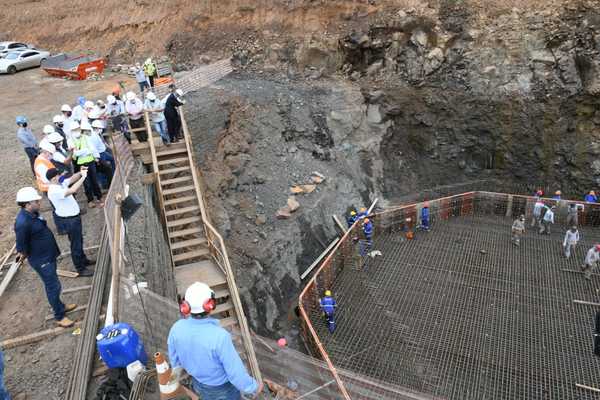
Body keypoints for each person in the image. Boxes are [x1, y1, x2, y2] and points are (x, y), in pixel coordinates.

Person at [168, 282, 263, 399]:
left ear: (186, 306)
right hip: (222, 389)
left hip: (198, 383)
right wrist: (253, 387)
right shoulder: (220, 337)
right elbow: (235, 374)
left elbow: (175, 360)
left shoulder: (176, 328)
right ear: (210, 305)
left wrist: (174, 381)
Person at [14, 187, 77, 327]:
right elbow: (21, 247)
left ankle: (60, 306)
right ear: (27, 204)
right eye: (36, 201)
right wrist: (21, 258)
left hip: (48, 255)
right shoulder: (22, 223)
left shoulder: (33, 213)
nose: (39, 202)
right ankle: (59, 316)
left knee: (54, 284)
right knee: (53, 287)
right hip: (41, 261)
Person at [47, 168, 94, 277]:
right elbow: (72, 190)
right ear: (54, 178)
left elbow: (71, 179)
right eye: (59, 175)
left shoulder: (59, 184)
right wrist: (83, 177)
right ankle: (80, 268)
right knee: (75, 244)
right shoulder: (54, 190)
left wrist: (81, 172)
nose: (61, 176)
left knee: (79, 240)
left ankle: (83, 260)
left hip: (74, 218)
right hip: (69, 220)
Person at [69, 122, 103, 208]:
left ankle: (99, 197)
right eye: (74, 130)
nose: (76, 131)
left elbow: (91, 149)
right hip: (81, 164)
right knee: (86, 182)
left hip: (90, 161)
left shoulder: (86, 137)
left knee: (94, 180)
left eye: (77, 129)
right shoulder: (71, 140)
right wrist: (85, 151)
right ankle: (90, 200)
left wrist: (82, 152)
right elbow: (75, 153)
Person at [89, 120, 114, 188]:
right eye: (99, 128)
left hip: (103, 152)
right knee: (103, 169)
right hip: (99, 154)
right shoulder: (93, 136)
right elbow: (94, 148)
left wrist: (108, 147)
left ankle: (113, 175)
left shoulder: (98, 135)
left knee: (112, 159)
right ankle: (105, 184)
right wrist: (96, 157)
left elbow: (103, 142)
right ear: (95, 128)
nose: (101, 130)